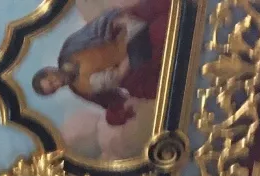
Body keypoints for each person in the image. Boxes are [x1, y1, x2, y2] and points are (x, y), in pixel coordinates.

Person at [31, 0, 171, 126]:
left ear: (49, 71)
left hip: (124, 35)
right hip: (133, 63)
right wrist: (131, 53)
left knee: (159, 9)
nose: (57, 84)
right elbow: (115, 77)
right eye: (54, 89)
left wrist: (124, 24)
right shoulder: (82, 88)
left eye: (51, 81)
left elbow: (98, 27)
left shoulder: (70, 49)